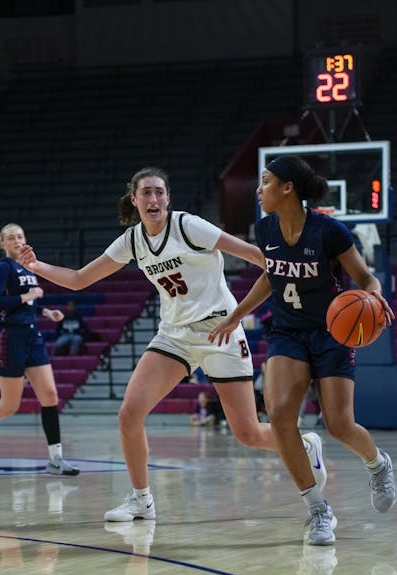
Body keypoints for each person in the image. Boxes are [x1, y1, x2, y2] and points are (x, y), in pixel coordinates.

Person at [18, 166, 327, 537]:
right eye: (145, 193)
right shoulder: (132, 241)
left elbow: (256, 255)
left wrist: (298, 282)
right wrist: (36, 266)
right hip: (175, 335)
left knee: (246, 433)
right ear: (134, 200)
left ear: (168, 198)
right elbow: (80, 279)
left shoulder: (188, 226)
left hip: (221, 329)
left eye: (159, 192)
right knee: (129, 413)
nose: (153, 199)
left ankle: (304, 445)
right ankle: (141, 499)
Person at [207, 155, 397, 546]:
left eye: (265, 182)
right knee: (279, 418)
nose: (258, 190)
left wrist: (374, 299)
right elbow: (271, 275)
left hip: (331, 333)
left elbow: (365, 277)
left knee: (339, 424)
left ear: (287, 188)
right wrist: (237, 315)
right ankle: (317, 510)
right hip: (287, 333)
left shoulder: (329, 232)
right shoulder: (265, 229)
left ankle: (378, 465)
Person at [0, 223, 79, 476]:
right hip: (9, 337)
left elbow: (27, 303)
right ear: (3, 244)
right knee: (9, 405)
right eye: (11, 238)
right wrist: (26, 298)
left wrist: (45, 311)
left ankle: (56, 459)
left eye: (20, 236)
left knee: (50, 396)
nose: (17, 240)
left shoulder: (28, 267)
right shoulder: (4, 267)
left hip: (32, 336)